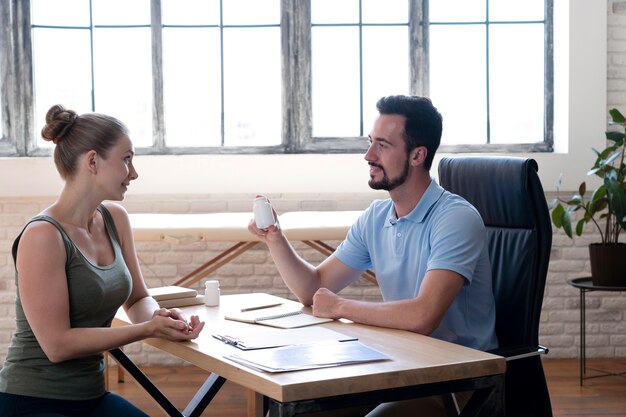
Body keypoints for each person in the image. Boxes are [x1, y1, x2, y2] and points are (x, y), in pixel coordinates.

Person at [248, 95, 497, 416]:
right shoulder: (377, 217)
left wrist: (340, 306)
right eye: (370, 143)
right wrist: (275, 238)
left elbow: (423, 317)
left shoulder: (455, 218)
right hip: (398, 363)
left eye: (383, 145)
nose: (368, 155)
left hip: (456, 378)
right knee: (293, 411)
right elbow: (313, 289)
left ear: (417, 155)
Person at [0, 105, 205, 417]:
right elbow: (58, 345)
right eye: (126, 159)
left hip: (91, 397)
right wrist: (147, 330)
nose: (133, 173)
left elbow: (138, 298)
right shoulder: (43, 236)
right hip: (32, 400)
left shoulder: (115, 219)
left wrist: (161, 318)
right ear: (93, 161)